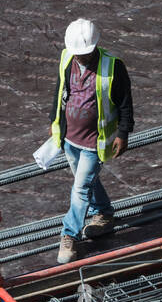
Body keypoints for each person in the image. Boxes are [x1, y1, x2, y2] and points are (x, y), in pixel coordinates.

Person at [49, 18, 134, 264]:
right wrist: (54, 122)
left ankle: (69, 235)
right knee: (84, 182)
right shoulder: (67, 58)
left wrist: (124, 133)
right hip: (70, 138)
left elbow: (125, 102)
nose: (81, 58)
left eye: (85, 54)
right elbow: (60, 91)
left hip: (94, 143)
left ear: (95, 46)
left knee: (80, 189)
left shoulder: (113, 67)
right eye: (78, 53)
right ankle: (105, 214)